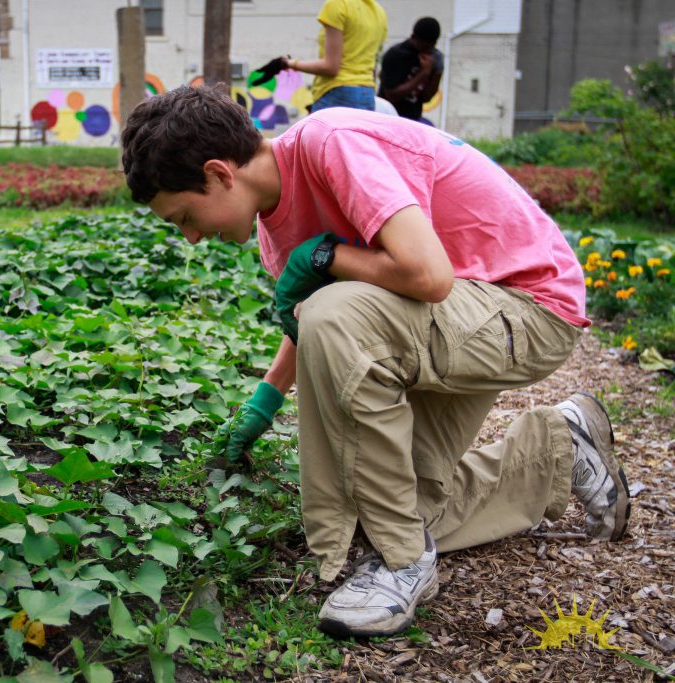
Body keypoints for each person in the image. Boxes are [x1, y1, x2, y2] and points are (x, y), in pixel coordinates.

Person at [120, 85, 632, 638]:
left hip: (527, 307)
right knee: (403, 504)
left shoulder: (330, 141)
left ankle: (403, 562)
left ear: (220, 173)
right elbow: (323, 324)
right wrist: (265, 399)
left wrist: (326, 256)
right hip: (449, 323)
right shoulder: (274, 234)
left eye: (183, 217)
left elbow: (424, 278)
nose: (192, 237)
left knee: (337, 323)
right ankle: (560, 445)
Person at [252, 0, 387, 112]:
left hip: (336, 92)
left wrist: (287, 64)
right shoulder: (379, 12)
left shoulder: (338, 5)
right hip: (367, 93)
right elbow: (373, 66)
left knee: (320, 145)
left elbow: (331, 67)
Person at [378, 17, 444, 124]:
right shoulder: (396, 54)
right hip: (388, 117)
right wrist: (423, 74)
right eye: (423, 47)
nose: (426, 51)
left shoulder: (435, 58)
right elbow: (392, 95)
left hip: (413, 118)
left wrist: (436, 73)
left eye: (430, 47)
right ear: (413, 37)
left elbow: (427, 98)